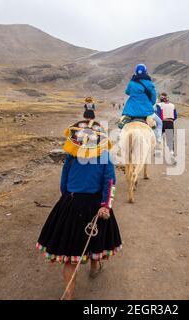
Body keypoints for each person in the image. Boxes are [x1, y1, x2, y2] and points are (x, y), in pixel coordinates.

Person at [36, 119, 122, 300]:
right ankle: (94, 267)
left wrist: (68, 200)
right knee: (95, 238)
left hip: (71, 203)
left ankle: (69, 296)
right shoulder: (105, 156)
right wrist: (106, 206)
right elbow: (110, 183)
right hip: (95, 205)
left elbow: (63, 183)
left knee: (70, 252)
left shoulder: (72, 155)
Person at [120, 64, 162, 142]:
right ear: (146, 72)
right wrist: (149, 104)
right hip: (146, 111)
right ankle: (157, 140)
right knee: (159, 123)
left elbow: (127, 92)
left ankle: (121, 143)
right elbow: (153, 98)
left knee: (122, 124)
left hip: (130, 110)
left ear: (135, 72)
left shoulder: (132, 83)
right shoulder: (149, 84)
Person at [156, 93, 177, 163]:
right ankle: (172, 154)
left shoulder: (159, 105)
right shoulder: (173, 105)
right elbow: (175, 116)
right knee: (170, 139)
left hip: (162, 123)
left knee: (159, 137)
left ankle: (158, 153)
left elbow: (158, 115)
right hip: (170, 123)